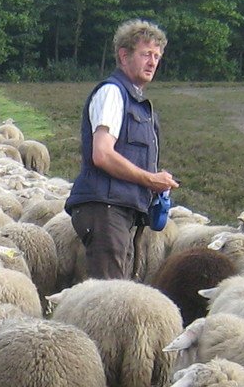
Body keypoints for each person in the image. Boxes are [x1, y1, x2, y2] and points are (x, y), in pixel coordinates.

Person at [65, 20, 179, 281]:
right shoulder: (112, 94)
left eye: (157, 56)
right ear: (124, 55)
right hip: (105, 208)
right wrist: (150, 179)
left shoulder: (138, 103)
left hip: (122, 209)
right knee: (110, 298)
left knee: (121, 292)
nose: (152, 62)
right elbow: (102, 154)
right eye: (146, 54)